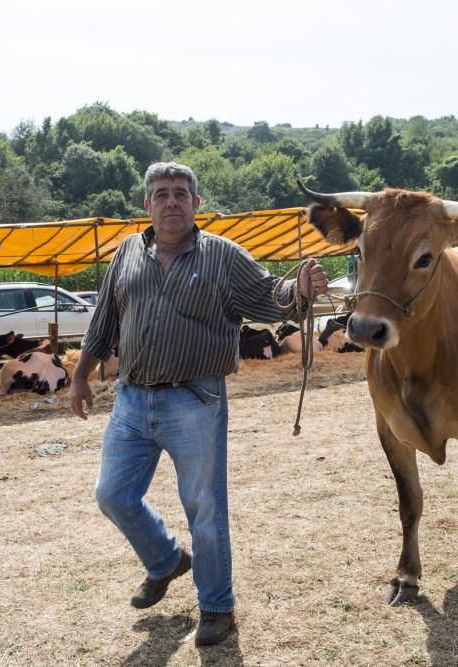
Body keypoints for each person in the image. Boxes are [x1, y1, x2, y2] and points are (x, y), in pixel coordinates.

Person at [69, 161, 327, 646]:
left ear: (196, 203)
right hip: (131, 398)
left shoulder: (223, 256)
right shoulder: (126, 253)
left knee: (204, 509)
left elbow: (270, 295)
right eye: (161, 193)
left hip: (195, 399)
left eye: (181, 193)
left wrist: (300, 290)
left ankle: (216, 608)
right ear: (146, 204)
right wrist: (81, 375)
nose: (171, 201)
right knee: (113, 495)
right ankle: (166, 560)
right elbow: (103, 320)